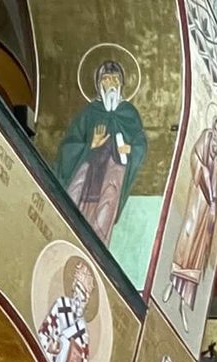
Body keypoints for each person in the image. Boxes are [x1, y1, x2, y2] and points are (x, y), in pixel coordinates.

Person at [55, 59, 148, 242]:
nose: (111, 84)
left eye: (115, 79)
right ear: (99, 84)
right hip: (88, 172)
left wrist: (129, 148)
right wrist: (91, 145)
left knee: (104, 214)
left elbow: (141, 143)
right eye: (106, 79)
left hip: (113, 174)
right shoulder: (90, 112)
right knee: (74, 211)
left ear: (121, 83)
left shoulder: (129, 113)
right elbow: (69, 144)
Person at [164, 119, 217, 324]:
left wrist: (214, 207)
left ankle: (184, 302)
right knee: (185, 242)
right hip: (196, 208)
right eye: (214, 142)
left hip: (206, 217)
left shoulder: (216, 166)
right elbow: (199, 170)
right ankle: (171, 284)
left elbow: (214, 191)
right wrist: (212, 200)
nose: (216, 147)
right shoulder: (202, 163)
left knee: (198, 254)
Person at [36, 258, 97, 362]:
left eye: (84, 296)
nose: (80, 297)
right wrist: (51, 346)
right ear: (74, 288)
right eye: (79, 290)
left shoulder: (83, 333)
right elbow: (42, 334)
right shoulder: (61, 305)